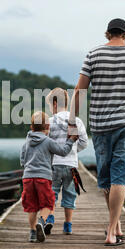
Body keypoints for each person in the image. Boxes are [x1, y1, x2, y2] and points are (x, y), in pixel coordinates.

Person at [68, 18, 125, 246]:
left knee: (107, 180)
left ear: (107, 34)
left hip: (101, 125)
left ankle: (114, 226)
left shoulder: (93, 54)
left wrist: (71, 122)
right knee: (119, 179)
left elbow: (79, 90)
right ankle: (112, 232)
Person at [20, 111, 78, 243]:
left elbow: (22, 160)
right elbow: (63, 151)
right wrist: (70, 140)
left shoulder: (26, 142)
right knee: (49, 203)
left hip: (27, 178)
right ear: (48, 127)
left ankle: (33, 233)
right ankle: (41, 221)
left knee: (32, 206)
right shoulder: (48, 141)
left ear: (31, 127)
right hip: (43, 177)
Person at [44, 88, 88, 235]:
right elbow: (84, 142)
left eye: (50, 106)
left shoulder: (49, 122)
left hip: (54, 165)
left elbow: (45, 143)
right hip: (71, 167)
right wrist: (74, 150)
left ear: (55, 104)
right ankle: (67, 225)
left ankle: (49, 218)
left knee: (52, 193)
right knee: (70, 194)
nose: (50, 109)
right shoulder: (76, 121)